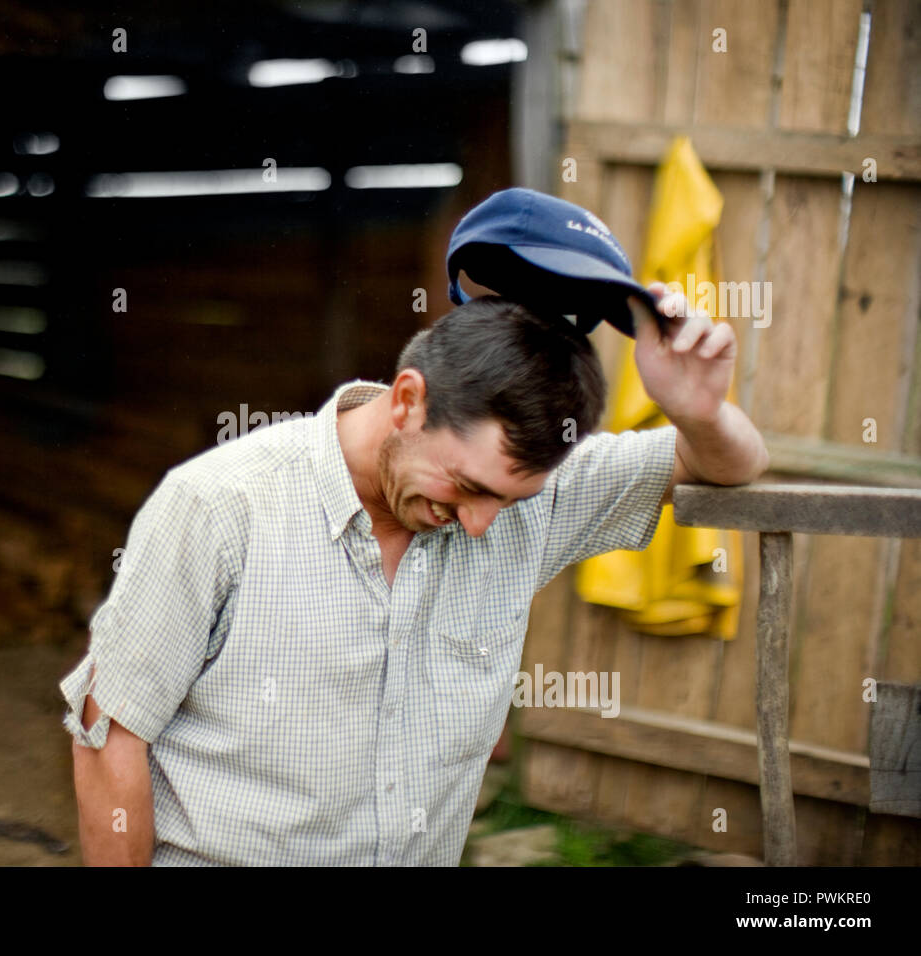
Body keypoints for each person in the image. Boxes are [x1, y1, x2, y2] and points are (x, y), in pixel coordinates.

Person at [59, 214, 769, 868]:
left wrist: (699, 411)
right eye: (469, 486)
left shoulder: (531, 504)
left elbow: (724, 464)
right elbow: (110, 736)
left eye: (511, 497)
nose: (484, 523)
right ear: (406, 400)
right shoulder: (220, 507)